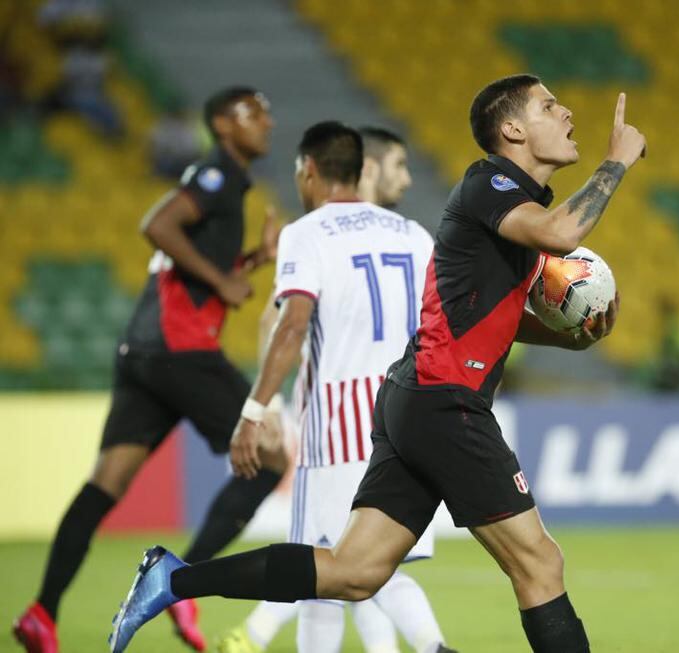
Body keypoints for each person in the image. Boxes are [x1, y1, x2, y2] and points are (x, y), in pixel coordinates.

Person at [107, 73, 645, 653]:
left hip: (416, 399)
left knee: (354, 573)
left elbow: (493, 318)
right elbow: (563, 233)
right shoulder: (490, 183)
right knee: (540, 565)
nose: (566, 113)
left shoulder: (508, 209)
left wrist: (573, 337)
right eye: (548, 105)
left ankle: (172, 579)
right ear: (512, 130)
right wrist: (615, 162)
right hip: (446, 405)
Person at [13, 86, 288, 653]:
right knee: (269, 460)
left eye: (265, 112)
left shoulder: (225, 184)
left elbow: (192, 262)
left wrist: (249, 263)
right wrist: (222, 281)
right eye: (252, 113)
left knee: (105, 483)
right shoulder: (217, 176)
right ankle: (178, 586)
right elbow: (157, 224)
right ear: (221, 123)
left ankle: (43, 610)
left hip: (142, 352)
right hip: (178, 350)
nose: (266, 121)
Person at [216, 125, 454, 653]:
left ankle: (437, 649)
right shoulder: (414, 235)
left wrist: (256, 409)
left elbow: (290, 325)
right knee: (366, 568)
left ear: (308, 169)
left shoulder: (309, 233)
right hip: (407, 423)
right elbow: (444, 326)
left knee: (317, 570)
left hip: (340, 428)